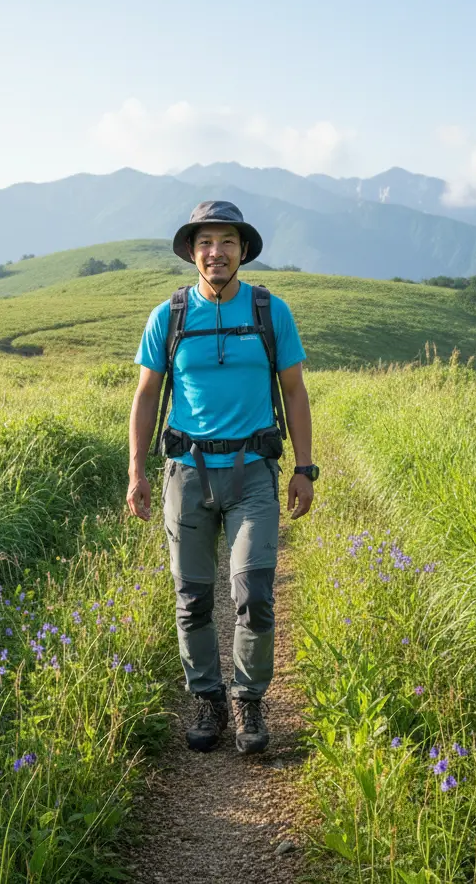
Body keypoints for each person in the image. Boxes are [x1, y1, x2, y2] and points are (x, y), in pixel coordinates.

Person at [127, 200, 318, 754]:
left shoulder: (269, 311)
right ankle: (208, 697)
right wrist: (137, 472)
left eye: (227, 241)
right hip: (185, 472)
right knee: (192, 597)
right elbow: (144, 398)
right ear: (192, 251)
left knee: (254, 590)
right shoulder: (170, 316)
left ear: (242, 251)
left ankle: (249, 701)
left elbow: (295, 392)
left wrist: (304, 469)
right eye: (206, 242)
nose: (217, 252)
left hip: (254, 472)